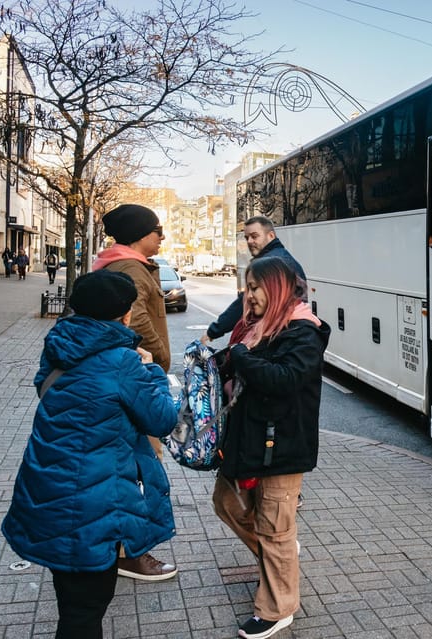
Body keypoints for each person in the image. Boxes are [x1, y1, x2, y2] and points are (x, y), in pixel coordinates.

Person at [1, 270, 178, 639]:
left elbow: (50, 392)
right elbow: (162, 418)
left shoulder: (60, 344)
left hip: (49, 492)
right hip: (93, 506)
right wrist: (150, 371)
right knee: (85, 613)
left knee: (72, 602)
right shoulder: (123, 363)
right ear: (125, 315)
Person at [212, 256, 330, 638]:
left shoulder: (302, 331)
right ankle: (280, 563)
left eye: (255, 287)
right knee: (227, 502)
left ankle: (279, 607)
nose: (248, 296)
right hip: (249, 440)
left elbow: (284, 379)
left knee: (276, 528)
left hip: (282, 444)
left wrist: (241, 357)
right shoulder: (259, 326)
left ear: (276, 288)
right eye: (247, 287)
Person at [92, 204, 176, 581]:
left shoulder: (121, 264)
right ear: (140, 233)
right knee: (141, 471)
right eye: (157, 230)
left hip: (119, 381)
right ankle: (131, 553)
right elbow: (137, 318)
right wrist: (157, 356)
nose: (162, 236)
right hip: (132, 380)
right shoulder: (130, 268)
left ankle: (119, 547)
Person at [201, 216, 306, 346]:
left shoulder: (272, 264)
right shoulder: (280, 258)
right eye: (247, 238)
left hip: (278, 334)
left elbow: (242, 304)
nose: (249, 241)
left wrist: (213, 331)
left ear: (271, 236)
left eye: (254, 236)